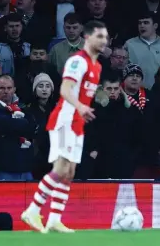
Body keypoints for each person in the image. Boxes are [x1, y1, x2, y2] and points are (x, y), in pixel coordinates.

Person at [21, 20, 108, 233]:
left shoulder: (97, 66)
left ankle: (54, 219)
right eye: (99, 36)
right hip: (65, 119)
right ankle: (32, 210)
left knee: (69, 172)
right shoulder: (77, 61)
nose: (103, 41)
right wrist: (80, 106)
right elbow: (65, 90)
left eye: (105, 37)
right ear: (87, 38)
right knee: (61, 168)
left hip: (78, 122)